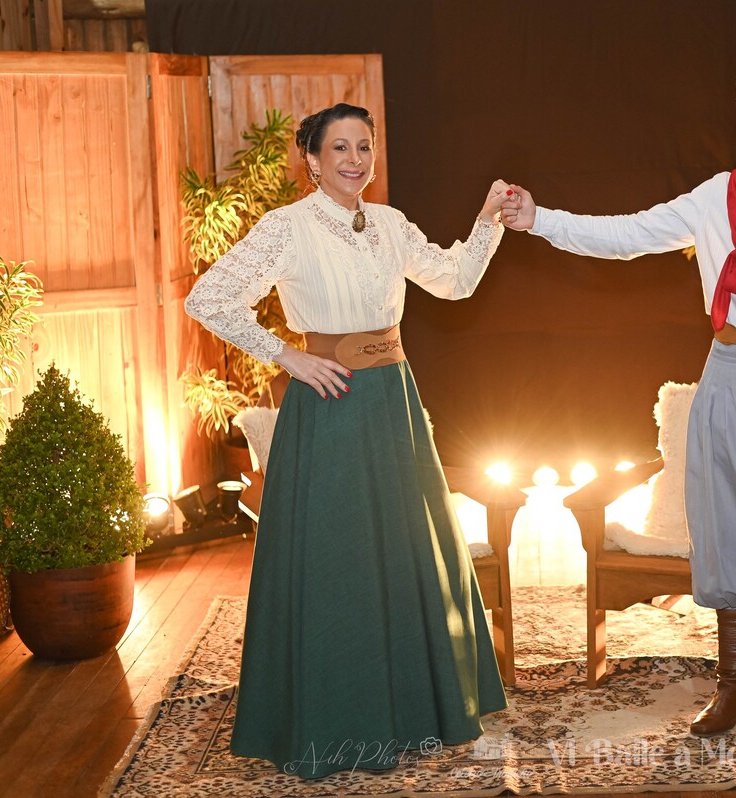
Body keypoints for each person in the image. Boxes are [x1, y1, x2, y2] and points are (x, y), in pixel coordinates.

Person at [500, 54, 736, 749]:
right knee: (726, 522)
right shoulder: (714, 198)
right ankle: (735, 687)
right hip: (726, 370)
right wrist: (539, 219)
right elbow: (628, 235)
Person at [185, 102, 509, 778]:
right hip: (330, 407)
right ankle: (336, 723)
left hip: (393, 405)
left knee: (404, 553)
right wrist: (288, 356)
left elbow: (455, 282)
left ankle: (412, 714)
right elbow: (207, 298)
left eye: (364, 146)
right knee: (339, 561)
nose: (355, 159)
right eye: (340, 147)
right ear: (312, 158)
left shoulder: (389, 223)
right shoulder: (287, 227)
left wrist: (487, 222)